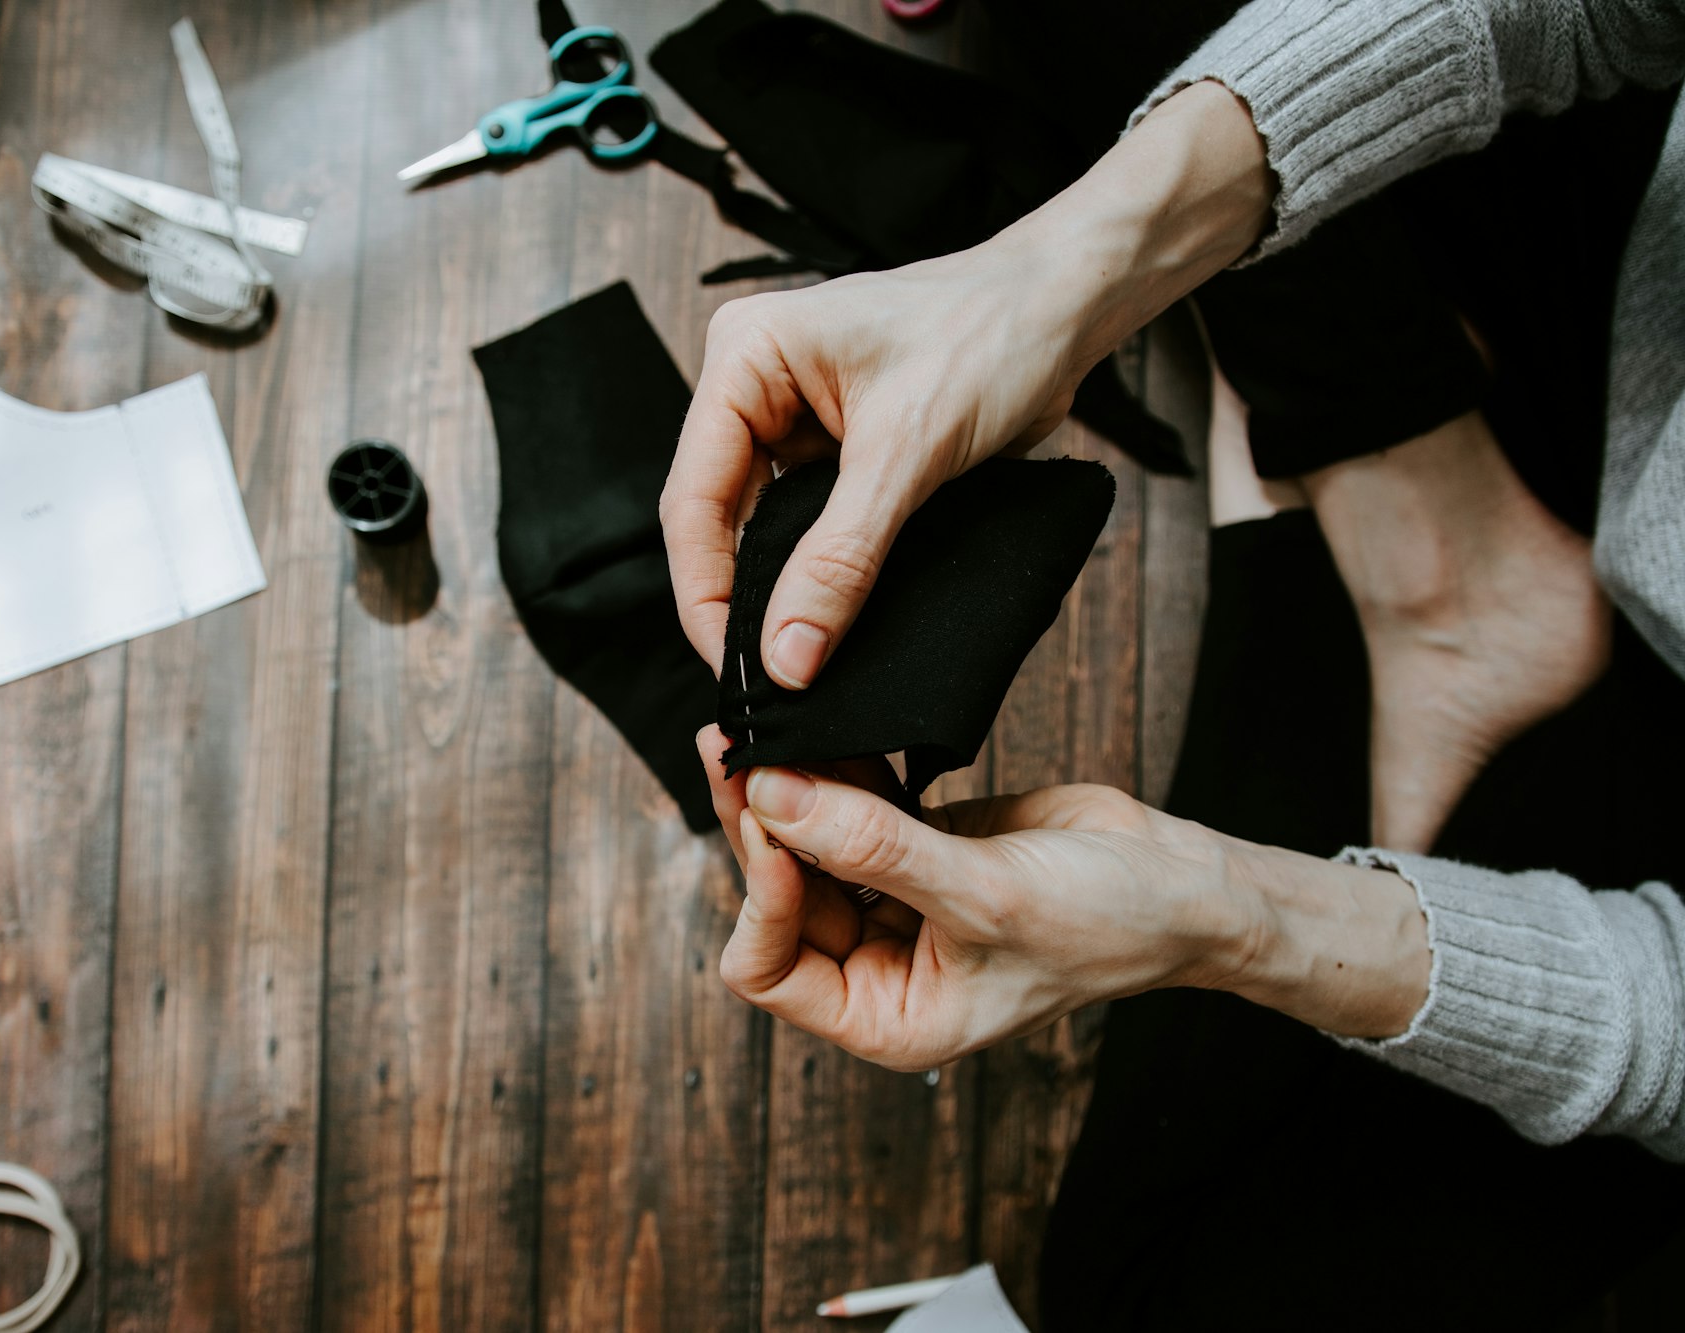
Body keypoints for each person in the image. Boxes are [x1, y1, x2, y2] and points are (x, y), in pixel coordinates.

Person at [660, 1, 1685, 1317]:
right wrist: (1057, 275)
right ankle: (1397, 499)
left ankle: (1359, 457)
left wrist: (1232, 913)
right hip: (1617, 237)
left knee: (1143, 1294)